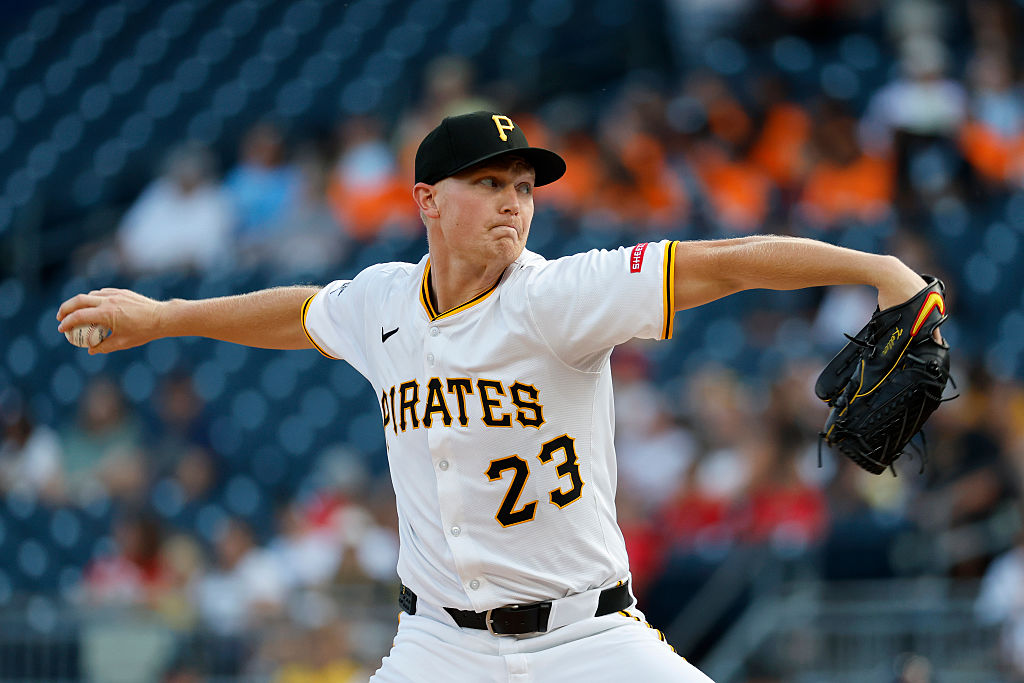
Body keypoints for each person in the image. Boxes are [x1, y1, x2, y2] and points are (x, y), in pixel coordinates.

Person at [58, 111, 935, 682]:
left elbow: (722, 261)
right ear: (427, 200)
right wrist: (166, 315)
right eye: (490, 184)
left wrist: (877, 268)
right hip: (438, 646)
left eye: (524, 187)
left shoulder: (556, 294)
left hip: (587, 641)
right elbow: (296, 312)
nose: (515, 203)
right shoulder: (383, 302)